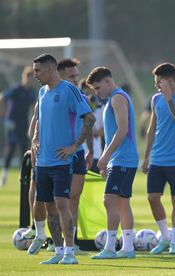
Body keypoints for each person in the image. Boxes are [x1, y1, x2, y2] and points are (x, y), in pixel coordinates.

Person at [31, 53, 95, 264]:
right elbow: (39, 121)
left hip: (61, 161)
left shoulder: (70, 91)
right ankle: (58, 251)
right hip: (43, 161)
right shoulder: (41, 92)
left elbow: (89, 118)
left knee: (61, 203)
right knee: (49, 207)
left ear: (50, 69)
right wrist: (36, 140)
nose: (35, 75)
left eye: (38, 71)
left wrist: (74, 146)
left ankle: (70, 252)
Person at [87, 67, 139, 259]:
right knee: (122, 203)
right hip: (120, 159)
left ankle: (110, 247)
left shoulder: (117, 98)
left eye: (98, 87)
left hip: (123, 158)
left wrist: (106, 156)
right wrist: (108, 161)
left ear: (108, 81)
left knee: (109, 201)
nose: (96, 92)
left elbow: (122, 130)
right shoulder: (113, 99)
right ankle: (127, 248)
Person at [141, 63, 175, 255]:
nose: (156, 86)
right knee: (152, 197)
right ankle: (165, 237)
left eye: (158, 82)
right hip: (157, 158)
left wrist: (170, 99)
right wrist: (146, 157)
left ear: (168, 81)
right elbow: (152, 127)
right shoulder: (156, 99)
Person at [57, 59, 94, 253]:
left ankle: (71, 242)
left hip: (77, 153)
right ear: (60, 76)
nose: (76, 80)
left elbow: (88, 125)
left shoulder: (81, 97)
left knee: (74, 197)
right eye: (72, 76)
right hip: (57, 154)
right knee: (56, 199)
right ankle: (54, 241)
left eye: (77, 76)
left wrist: (91, 151)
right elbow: (37, 123)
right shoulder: (51, 95)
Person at [0, 66, 36, 187]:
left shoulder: (31, 92)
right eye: (29, 78)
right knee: (10, 149)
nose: (31, 81)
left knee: (23, 151)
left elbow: (33, 108)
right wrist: (4, 118)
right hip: (12, 125)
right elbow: (2, 98)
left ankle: (23, 177)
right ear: (24, 77)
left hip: (23, 125)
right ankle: (4, 175)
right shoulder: (16, 89)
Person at [80, 78, 104, 174]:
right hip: (79, 152)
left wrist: (92, 131)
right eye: (85, 91)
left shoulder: (101, 107)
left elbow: (103, 130)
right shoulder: (77, 106)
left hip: (96, 153)